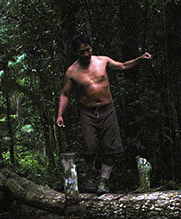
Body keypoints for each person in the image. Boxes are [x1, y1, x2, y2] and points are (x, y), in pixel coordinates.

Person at [56, 33, 152, 194]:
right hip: (87, 111)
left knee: (111, 147)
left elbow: (122, 66)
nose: (86, 54)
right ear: (76, 53)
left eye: (88, 50)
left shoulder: (102, 61)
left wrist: (139, 59)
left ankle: (103, 180)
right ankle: (91, 173)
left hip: (108, 109)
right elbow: (65, 94)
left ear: (91, 48)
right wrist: (60, 115)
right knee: (89, 147)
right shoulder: (72, 71)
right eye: (82, 52)